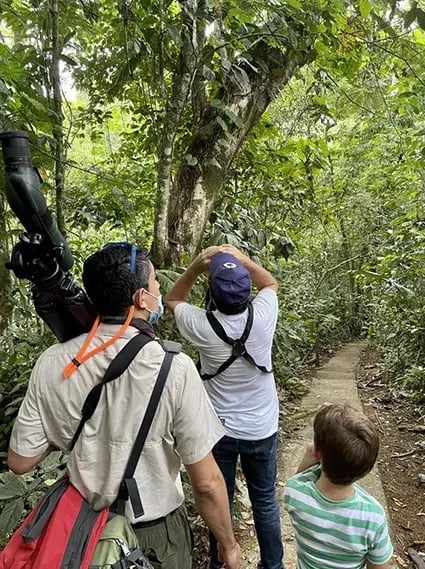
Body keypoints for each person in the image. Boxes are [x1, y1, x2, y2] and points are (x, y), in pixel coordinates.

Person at [7, 242, 241, 569]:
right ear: (141, 298)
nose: (159, 290)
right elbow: (206, 483)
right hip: (157, 539)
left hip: (81, 532)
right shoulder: (174, 366)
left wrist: (73, 429)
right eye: (156, 283)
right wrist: (229, 547)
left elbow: (20, 461)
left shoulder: (53, 362)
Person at [166, 244, 284, 569]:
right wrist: (244, 260)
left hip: (218, 431)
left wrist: (194, 268)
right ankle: (273, 565)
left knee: (221, 501)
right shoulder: (262, 316)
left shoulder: (202, 325)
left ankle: (220, 563)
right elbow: (270, 283)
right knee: (264, 501)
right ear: (247, 291)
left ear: (213, 295)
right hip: (262, 428)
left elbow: (172, 300)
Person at [283, 403, 393, 569]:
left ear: (317, 453)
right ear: (366, 469)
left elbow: (298, 479)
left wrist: (311, 455)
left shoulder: (295, 493)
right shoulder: (373, 516)